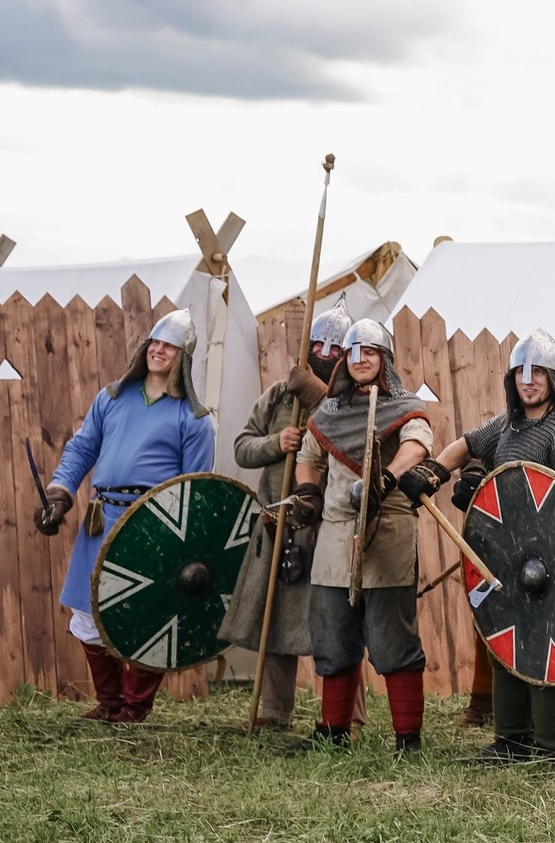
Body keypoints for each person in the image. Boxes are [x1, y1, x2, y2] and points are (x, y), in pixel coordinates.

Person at [38, 309, 217, 723]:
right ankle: (111, 703)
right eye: (154, 342)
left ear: (183, 357)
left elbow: (194, 489)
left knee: (149, 615)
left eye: (169, 345)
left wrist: (178, 544)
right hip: (100, 519)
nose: (159, 350)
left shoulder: (194, 420)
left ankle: (134, 708)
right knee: (86, 610)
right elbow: (82, 449)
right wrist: (60, 495)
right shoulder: (112, 398)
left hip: (151, 528)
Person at [435, 332, 555, 761]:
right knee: (504, 636)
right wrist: (437, 472)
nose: (529, 381)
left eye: (538, 372)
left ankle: (551, 746)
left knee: (549, 645)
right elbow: (467, 445)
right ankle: (511, 739)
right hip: (507, 553)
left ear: (554, 378)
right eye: (521, 372)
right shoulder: (507, 425)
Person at [289, 318, 443, 753]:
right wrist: (306, 492)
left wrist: (386, 479)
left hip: (387, 529)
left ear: (385, 359)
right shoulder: (330, 411)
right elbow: (308, 456)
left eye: (370, 352)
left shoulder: (405, 405)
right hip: (336, 532)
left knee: (392, 636)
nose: (361, 360)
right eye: (354, 353)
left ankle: (407, 738)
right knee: (333, 632)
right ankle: (335, 733)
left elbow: (418, 445)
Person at [220, 303, 346, 730]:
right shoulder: (278, 396)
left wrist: (318, 402)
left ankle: (349, 717)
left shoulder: (351, 401)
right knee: (275, 621)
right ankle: (274, 711)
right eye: (319, 344)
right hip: (277, 523)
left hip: (326, 529)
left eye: (334, 346)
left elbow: (352, 446)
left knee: (336, 625)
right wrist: (277, 441)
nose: (325, 352)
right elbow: (242, 447)